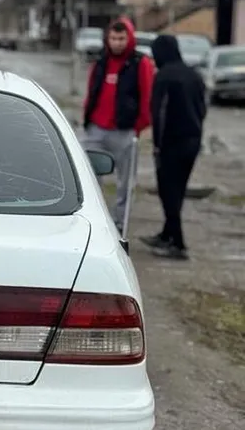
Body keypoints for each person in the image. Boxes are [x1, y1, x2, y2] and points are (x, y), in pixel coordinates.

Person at [82, 17, 155, 234]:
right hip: (96, 128)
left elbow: (147, 97)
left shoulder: (140, 63)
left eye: (121, 38)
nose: (117, 43)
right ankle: (92, 219)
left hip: (125, 130)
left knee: (125, 181)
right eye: (113, 38)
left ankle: (120, 222)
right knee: (89, 177)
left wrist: (139, 126)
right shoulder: (100, 62)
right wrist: (87, 118)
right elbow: (91, 91)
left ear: (129, 38)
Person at [140, 34, 207, 260]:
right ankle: (167, 234)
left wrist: (157, 145)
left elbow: (159, 113)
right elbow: (202, 109)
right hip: (193, 140)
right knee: (178, 189)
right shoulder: (194, 75)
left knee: (168, 191)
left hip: (171, 143)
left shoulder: (164, 77)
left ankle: (178, 243)